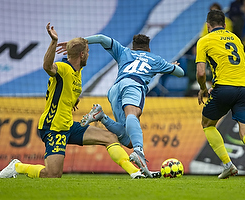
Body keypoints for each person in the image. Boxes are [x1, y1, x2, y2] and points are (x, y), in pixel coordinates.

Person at [0, 23, 154, 179]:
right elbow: (47, 66)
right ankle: (17, 166)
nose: (88, 54)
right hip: (54, 128)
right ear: (81, 54)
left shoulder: (77, 71)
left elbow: (63, 91)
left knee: (110, 137)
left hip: (68, 125)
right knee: (53, 174)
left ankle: (135, 173)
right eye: (87, 52)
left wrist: (73, 100)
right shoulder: (64, 68)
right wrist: (53, 42)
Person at [57, 34, 184, 177]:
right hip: (134, 84)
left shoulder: (124, 51)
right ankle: (139, 151)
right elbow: (181, 73)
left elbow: (101, 38)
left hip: (115, 89)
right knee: (132, 114)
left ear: (133, 46)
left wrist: (78, 43)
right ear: (148, 48)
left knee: (127, 139)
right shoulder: (156, 59)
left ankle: (101, 116)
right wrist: (172, 66)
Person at [196, 10, 245, 179]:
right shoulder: (236, 39)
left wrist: (203, 88)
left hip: (224, 88)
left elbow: (201, 73)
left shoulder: (204, 40)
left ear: (208, 26)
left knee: (207, 124)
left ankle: (228, 165)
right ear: (225, 25)